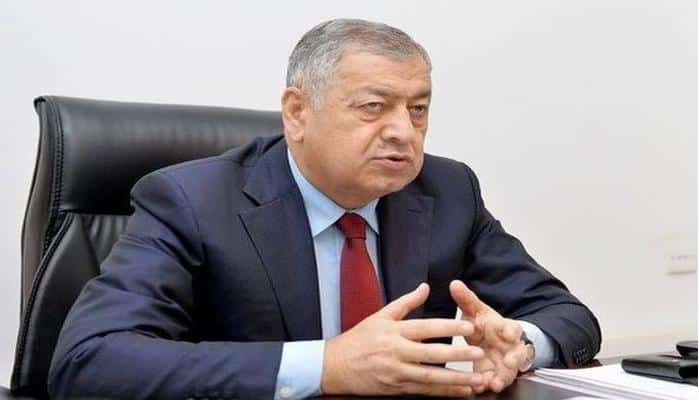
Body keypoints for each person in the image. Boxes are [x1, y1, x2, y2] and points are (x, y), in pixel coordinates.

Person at [48, 19, 601, 399]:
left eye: (418, 109)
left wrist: (520, 345)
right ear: (297, 113)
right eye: (374, 107)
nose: (403, 132)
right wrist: (327, 366)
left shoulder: (447, 189)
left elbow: (569, 317)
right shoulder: (192, 201)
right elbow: (89, 361)